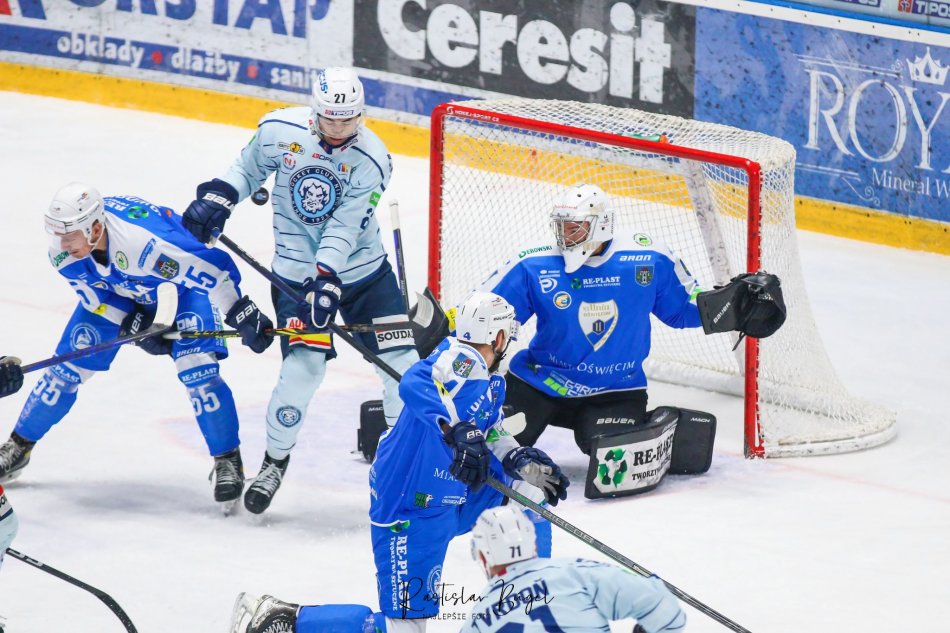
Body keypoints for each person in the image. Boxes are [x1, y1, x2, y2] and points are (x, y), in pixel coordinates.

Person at [181, 67, 419, 515]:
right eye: (330, 120)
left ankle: (402, 468)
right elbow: (247, 169)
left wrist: (327, 276)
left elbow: (346, 225)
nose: (338, 130)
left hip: (366, 278)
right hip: (294, 279)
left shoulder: (373, 159)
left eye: (348, 121)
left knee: (402, 370)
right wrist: (221, 197)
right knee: (302, 372)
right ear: (315, 112)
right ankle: (274, 463)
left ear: (361, 115)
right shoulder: (278, 130)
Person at [478, 184, 784, 495]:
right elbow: (485, 313)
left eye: (574, 227)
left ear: (601, 225)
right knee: (494, 444)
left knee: (612, 465)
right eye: (562, 227)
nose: (564, 236)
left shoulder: (648, 257)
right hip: (540, 383)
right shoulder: (534, 264)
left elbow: (681, 310)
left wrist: (731, 305)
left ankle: (656, 424)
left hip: (615, 390)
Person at [0, 183, 274, 508]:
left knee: (198, 370)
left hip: (183, 290)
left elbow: (213, 268)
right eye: (58, 234)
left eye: (70, 235)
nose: (62, 243)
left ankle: (228, 459)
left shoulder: (144, 243)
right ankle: (18, 446)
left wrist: (240, 311)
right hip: (121, 293)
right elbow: (96, 299)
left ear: (95, 229)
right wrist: (132, 322)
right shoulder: (62, 255)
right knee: (64, 372)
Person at [368, 291, 569, 632]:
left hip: (456, 498)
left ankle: (529, 604)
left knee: (529, 494)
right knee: (406, 627)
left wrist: (516, 456)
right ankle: (297, 620)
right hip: (410, 506)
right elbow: (414, 381)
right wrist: (456, 428)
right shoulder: (460, 360)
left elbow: (489, 431)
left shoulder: (491, 381)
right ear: (499, 336)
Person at [227, 506, 684, 633]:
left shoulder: (480, 617)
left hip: (407, 511)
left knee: (400, 630)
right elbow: (666, 608)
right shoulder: (583, 573)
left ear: (481, 558)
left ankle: (287, 618)